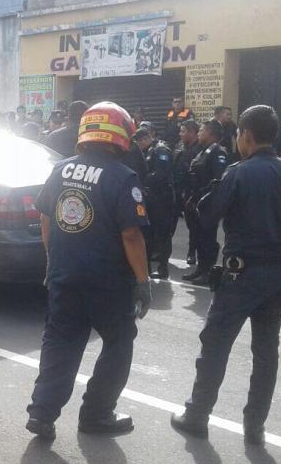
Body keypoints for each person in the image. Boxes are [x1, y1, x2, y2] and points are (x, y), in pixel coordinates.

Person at [171, 105, 281, 445]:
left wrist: (203, 192)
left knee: (216, 344)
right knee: (266, 352)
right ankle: (255, 426)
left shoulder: (238, 173)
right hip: (279, 274)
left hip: (241, 275)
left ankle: (197, 414)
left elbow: (208, 216)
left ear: (246, 136)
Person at [26, 102, 151, 440]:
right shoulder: (123, 178)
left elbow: (47, 217)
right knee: (119, 341)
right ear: (120, 134)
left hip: (65, 276)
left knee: (60, 341)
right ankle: (96, 415)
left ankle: (42, 413)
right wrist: (143, 280)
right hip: (107, 283)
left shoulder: (62, 169)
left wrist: (52, 261)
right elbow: (131, 234)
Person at [181, 120, 229, 285]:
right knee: (199, 237)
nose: (199, 133)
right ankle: (201, 269)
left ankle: (207, 271)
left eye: (201, 130)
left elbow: (217, 181)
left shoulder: (218, 152)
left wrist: (202, 198)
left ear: (210, 133)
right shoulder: (203, 152)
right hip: (197, 202)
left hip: (208, 204)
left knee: (208, 239)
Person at [142, 125, 176, 279]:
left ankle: (163, 268)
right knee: (149, 233)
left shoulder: (161, 149)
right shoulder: (150, 150)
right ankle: (148, 266)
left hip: (162, 197)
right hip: (153, 197)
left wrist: (144, 179)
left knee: (163, 234)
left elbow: (162, 174)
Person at [171, 120, 202, 265]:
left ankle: (192, 252)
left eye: (183, 131)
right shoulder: (179, 146)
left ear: (191, 132)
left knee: (193, 226)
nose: (180, 134)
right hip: (177, 190)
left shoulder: (200, 149)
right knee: (169, 222)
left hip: (191, 193)